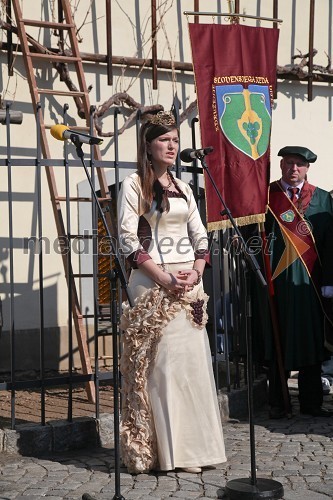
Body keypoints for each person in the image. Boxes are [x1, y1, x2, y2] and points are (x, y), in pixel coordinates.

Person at [117, 111, 226, 474]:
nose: (172, 145)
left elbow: (201, 236)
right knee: (162, 369)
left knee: (191, 368)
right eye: (164, 140)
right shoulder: (134, 185)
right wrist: (163, 277)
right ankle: (169, 455)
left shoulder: (183, 187)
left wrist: (196, 272)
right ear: (148, 146)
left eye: (175, 140)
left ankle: (196, 451)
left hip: (188, 287)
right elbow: (127, 240)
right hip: (152, 285)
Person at [264, 146, 333, 418]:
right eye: (289, 163)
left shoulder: (323, 198)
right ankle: (278, 403)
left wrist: (329, 280)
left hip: (312, 285)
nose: (294, 169)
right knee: (277, 338)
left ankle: (311, 402)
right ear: (281, 165)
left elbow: (330, 245)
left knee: (311, 341)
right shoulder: (267, 196)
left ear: (307, 168)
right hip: (277, 284)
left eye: (299, 165)